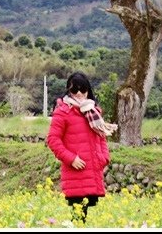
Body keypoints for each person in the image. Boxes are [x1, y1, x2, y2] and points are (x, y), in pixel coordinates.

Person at [46, 72, 118, 223]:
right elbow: (53, 140)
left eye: (82, 89)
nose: (79, 93)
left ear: (88, 90)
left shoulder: (94, 111)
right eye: (74, 90)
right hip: (76, 171)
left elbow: (101, 136)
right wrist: (71, 159)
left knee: (82, 217)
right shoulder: (63, 111)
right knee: (78, 216)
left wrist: (104, 157)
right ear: (68, 91)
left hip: (92, 170)